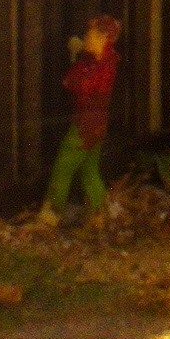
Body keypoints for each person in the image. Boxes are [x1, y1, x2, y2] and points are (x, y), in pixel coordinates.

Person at [46, 14, 121, 221]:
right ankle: (101, 214)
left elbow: (74, 84)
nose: (86, 36)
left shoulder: (101, 66)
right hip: (97, 126)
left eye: (91, 33)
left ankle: (50, 216)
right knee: (89, 171)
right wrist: (80, 54)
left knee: (62, 168)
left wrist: (75, 58)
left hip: (84, 126)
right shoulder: (102, 60)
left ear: (103, 37)